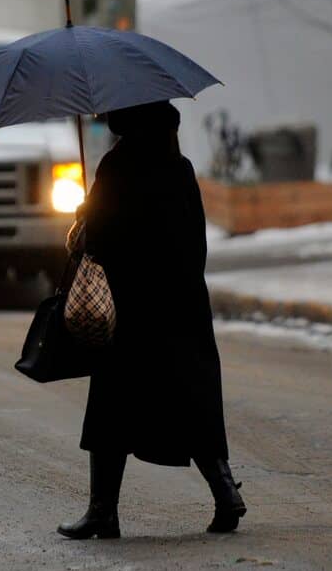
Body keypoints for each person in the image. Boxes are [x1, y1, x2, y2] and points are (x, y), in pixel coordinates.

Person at [57, 100, 246, 540]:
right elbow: (195, 246)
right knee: (192, 404)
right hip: (183, 308)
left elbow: (98, 243)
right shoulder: (179, 168)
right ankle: (225, 493)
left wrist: (86, 216)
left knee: (112, 409)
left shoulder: (117, 168)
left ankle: (103, 510)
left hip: (131, 312)